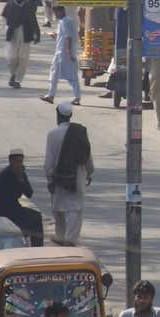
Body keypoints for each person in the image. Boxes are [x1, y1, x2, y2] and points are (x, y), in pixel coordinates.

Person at [44, 102, 93, 246]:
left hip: (59, 176)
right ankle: (70, 239)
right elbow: (87, 155)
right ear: (70, 115)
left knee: (58, 207)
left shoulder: (52, 134)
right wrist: (90, 172)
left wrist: (49, 178)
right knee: (75, 209)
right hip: (77, 176)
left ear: (57, 115)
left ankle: (61, 236)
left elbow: (49, 161)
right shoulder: (80, 132)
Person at [0, 148, 44, 247]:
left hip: (15, 208)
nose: (19, 164)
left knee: (36, 217)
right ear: (11, 161)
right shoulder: (1, 177)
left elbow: (29, 193)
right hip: (1, 212)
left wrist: (21, 180)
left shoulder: (21, 174)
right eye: (17, 161)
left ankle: (37, 248)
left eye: (21, 161)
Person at [40, 5, 81, 105]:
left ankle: (77, 97)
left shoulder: (66, 21)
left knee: (71, 75)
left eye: (55, 13)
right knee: (54, 73)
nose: (55, 15)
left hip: (64, 53)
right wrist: (53, 35)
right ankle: (51, 95)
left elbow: (68, 37)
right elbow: (62, 36)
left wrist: (68, 52)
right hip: (61, 52)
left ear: (60, 11)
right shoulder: (63, 22)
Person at [2, 0, 40, 89]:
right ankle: (13, 74)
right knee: (11, 58)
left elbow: (33, 20)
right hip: (12, 33)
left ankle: (17, 80)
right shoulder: (9, 4)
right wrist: (6, 30)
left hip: (25, 33)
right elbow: (4, 19)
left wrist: (37, 34)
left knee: (23, 58)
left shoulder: (27, 5)